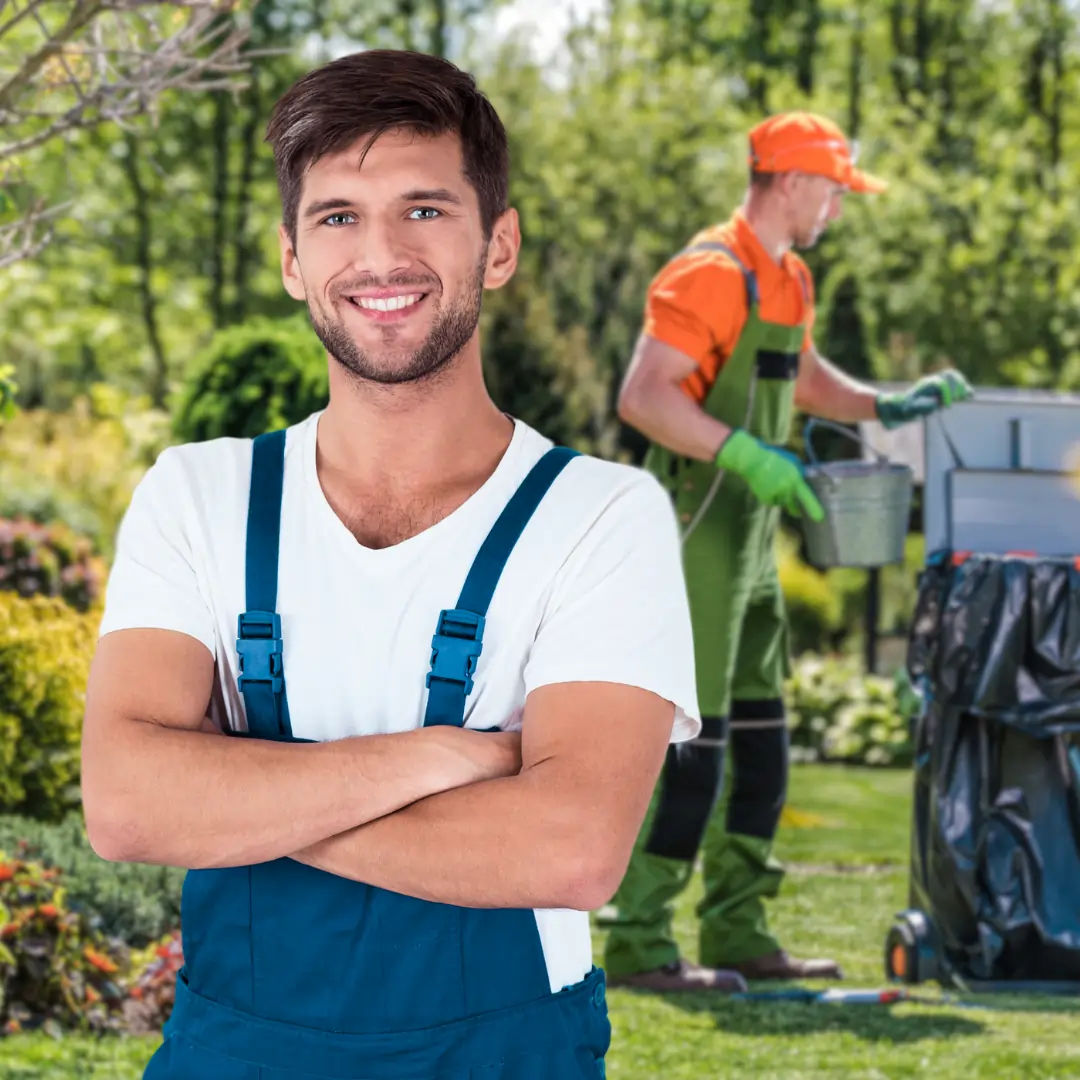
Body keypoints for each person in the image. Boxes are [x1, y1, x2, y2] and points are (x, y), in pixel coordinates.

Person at [80, 49, 703, 1078]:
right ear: (291, 258)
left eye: (424, 210)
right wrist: (437, 758)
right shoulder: (199, 495)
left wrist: (237, 804)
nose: (381, 255)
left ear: (498, 246)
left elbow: (572, 850)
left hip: (504, 1055)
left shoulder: (602, 517)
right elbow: (127, 806)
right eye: (337, 217)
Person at [601, 111, 973, 992]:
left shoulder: (788, 278)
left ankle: (738, 926)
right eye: (836, 190)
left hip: (757, 533)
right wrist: (741, 453)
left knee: (763, 737)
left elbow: (799, 378)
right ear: (795, 181)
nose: (839, 207)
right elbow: (645, 398)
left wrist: (886, 406)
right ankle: (640, 939)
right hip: (698, 520)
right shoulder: (710, 271)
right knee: (694, 737)